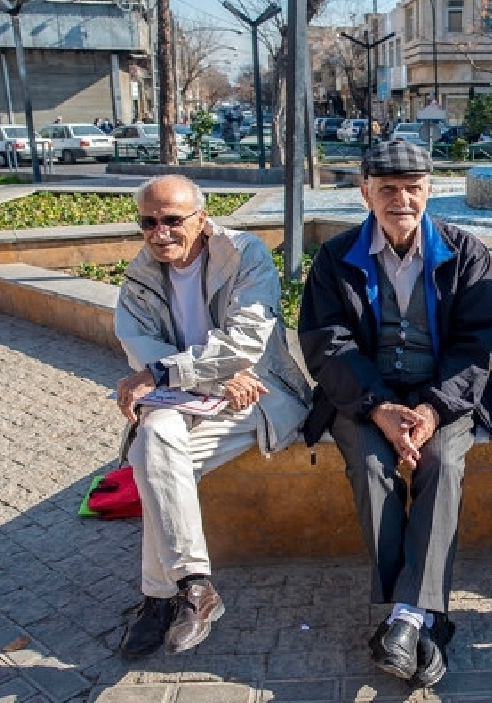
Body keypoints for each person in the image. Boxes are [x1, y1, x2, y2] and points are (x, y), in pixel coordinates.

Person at [298, 140, 492, 688]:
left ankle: (404, 618)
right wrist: (378, 406)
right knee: (371, 468)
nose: (401, 199)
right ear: (364, 192)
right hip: (364, 396)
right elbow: (327, 344)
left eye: (413, 188)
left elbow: (476, 344)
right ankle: (421, 618)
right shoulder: (336, 257)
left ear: (430, 190)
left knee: (443, 464)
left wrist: (433, 409)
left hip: (444, 395)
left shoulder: (465, 253)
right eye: (387, 188)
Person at [112, 174, 311, 658]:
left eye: (172, 220)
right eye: (148, 222)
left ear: (201, 219)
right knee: (154, 442)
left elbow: (246, 342)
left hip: (258, 394)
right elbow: (138, 344)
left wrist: (168, 373)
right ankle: (195, 585)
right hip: (197, 394)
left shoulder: (244, 254)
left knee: (153, 458)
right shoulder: (141, 272)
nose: (159, 232)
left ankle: (159, 596)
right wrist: (214, 380)